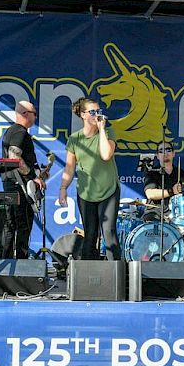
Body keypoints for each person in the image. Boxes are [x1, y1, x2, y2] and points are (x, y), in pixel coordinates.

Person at [58, 98, 121, 260]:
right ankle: (88, 277)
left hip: (109, 189)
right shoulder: (75, 139)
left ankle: (116, 276)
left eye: (98, 111)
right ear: (83, 115)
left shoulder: (108, 132)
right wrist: (63, 189)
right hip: (86, 192)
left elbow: (106, 155)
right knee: (90, 233)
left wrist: (101, 130)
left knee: (109, 232)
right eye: (92, 112)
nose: (97, 115)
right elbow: (69, 167)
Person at [2, 101, 46, 259]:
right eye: (34, 113)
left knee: (11, 224)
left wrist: (38, 174)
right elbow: (14, 157)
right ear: (25, 114)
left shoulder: (11, 131)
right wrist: (33, 177)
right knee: (23, 225)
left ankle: (5, 263)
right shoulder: (20, 132)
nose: (36, 116)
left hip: (12, 183)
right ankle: (20, 265)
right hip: (19, 186)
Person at [142, 141, 184, 222]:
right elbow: (150, 194)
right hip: (155, 212)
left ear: (173, 153)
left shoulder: (180, 173)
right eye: (161, 151)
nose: (165, 153)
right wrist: (171, 191)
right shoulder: (151, 172)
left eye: (168, 150)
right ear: (157, 156)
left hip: (175, 213)